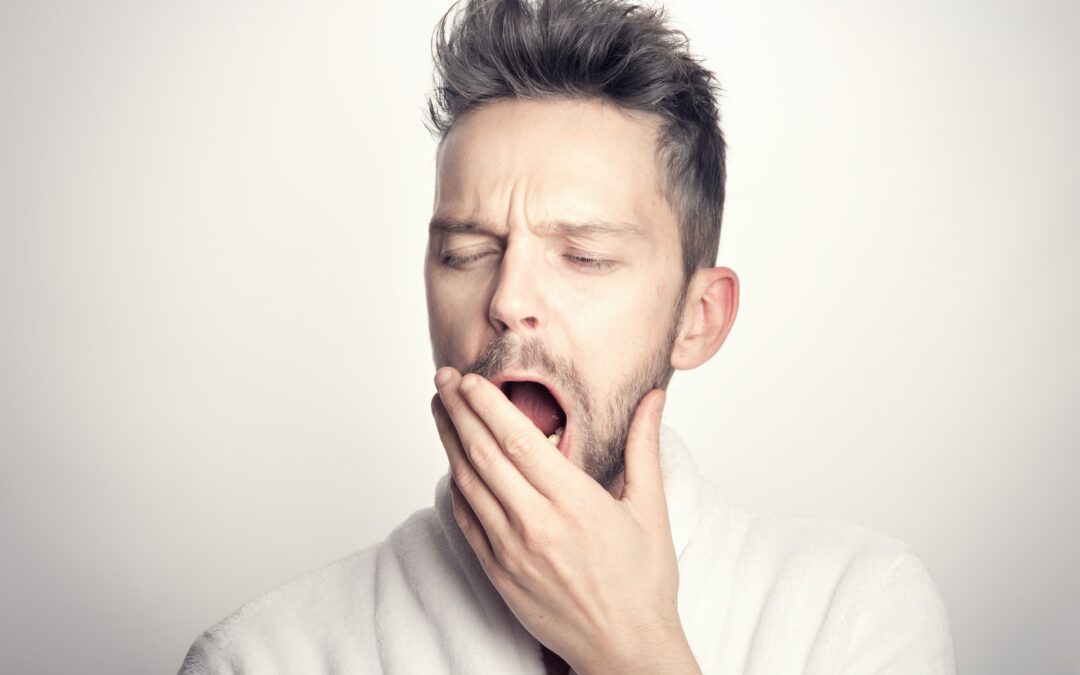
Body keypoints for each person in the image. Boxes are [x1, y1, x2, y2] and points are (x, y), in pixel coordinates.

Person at [179, 0, 956, 673]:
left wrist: (634, 651)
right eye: (466, 253)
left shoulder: (855, 610)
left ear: (699, 319)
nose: (509, 299)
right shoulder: (263, 654)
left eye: (583, 255)